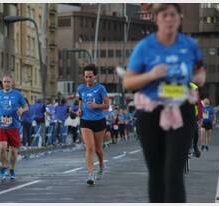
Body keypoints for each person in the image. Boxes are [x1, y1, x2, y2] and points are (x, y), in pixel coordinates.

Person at [123, 4, 205, 202]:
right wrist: (151, 74)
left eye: (173, 15)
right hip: (151, 112)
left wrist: (199, 78)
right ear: (157, 18)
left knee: (174, 173)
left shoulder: (189, 45)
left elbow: (200, 71)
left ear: (179, 18)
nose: (169, 19)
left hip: (181, 110)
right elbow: (128, 81)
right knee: (157, 173)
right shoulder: (145, 46)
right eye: (164, 15)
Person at [77, 64, 109, 186]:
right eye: (86, 77)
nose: (88, 79)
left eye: (90, 76)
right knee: (89, 148)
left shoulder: (101, 88)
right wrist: (80, 109)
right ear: (84, 77)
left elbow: (107, 105)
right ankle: (91, 174)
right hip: (85, 121)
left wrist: (96, 106)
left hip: (99, 121)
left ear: (95, 76)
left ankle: (101, 164)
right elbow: (80, 99)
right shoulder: (81, 88)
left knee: (98, 149)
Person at [0, 75, 28, 180]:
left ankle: (12, 168)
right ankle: (3, 167)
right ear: (2, 83)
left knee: (13, 150)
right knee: (2, 148)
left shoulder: (17, 94)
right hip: (2, 125)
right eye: (4, 82)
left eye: (8, 82)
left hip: (14, 126)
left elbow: (26, 106)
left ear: (12, 83)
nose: (6, 83)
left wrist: (22, 110)